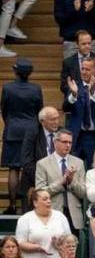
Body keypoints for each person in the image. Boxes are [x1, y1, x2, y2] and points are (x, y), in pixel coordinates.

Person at [1, 58, 43, 213]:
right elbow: (40, 111)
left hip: (13, 130)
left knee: (13, 168)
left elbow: (4, 110)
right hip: (31, 130)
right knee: (31, 168)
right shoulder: (36, 89)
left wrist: (11, 123)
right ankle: (31, 206)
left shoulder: (7, 88)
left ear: (15, 71)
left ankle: (12, 206)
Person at [63, 57, 95, 168]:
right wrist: (74, 95)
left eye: (87, 69)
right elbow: (65, 107)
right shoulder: (74, 85)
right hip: (77, 135)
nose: (84, 72)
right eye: (82, 68)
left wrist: (93, 92)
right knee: (74, 170)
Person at [35, 130, 86, 234]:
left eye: (70, 142)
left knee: (72, 249)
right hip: (52, 213)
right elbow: (39, 193)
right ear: (55, 142)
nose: (67, 145)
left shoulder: (79, 163)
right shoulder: (42, 164)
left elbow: (83, 193)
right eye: (64, 142)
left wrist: (71, 181)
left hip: (74, 216)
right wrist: (61, 182)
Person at [15, 189, 71, 258]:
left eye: (49, 198)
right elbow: (20, 243)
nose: (49, 201)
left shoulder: (60, 216)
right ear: (35, 203)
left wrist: (60, 243)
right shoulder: (25, 219)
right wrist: (37, 248)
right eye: (45, 199)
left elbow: (69, 239)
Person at [20, 107, 61, 207]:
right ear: (42, 121)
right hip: (34, 180)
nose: (56, 122)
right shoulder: (32, 133)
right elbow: (26, 161)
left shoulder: (62, 133)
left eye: (57, 118)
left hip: (58, 182)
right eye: (52, 119)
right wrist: (42, 179)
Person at [59, 30, 95, 96]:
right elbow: (64, 86)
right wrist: (77, 93)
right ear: (77, 44)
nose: (87, 46)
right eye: (84, 44)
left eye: (89, 43)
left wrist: (93, 93)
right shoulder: (68, 62)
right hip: (75, 100)